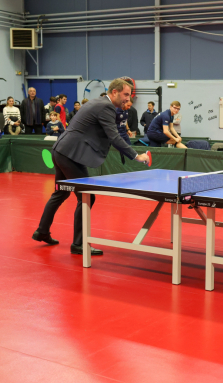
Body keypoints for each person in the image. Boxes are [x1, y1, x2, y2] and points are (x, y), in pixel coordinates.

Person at [32, 78, 149, 255]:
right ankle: (79, 244)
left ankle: (42, 231)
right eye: (126, 94)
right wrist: (136, 156)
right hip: (70, 154)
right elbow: (114, 137)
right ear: (115, 92)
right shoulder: (106, 107)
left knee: (61, 192)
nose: (128, 98)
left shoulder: (99, 102)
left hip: (61, 150)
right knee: (87, 197)